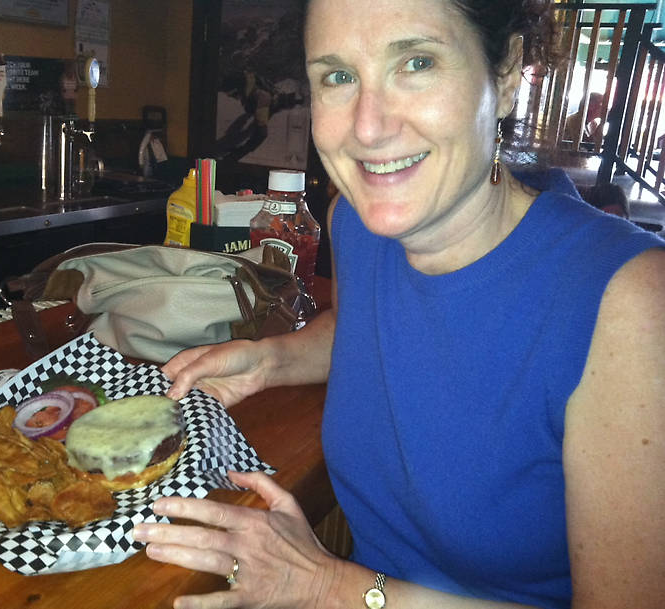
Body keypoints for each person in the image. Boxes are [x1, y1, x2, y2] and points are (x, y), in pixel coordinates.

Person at [132, 1, 665, 608]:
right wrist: (270, 360)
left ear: (508, 74)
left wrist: (329, 586)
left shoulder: (630, 301)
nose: (367, 126)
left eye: (416, 61)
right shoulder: (358, 223)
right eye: (337, 76)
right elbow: (378, 321)